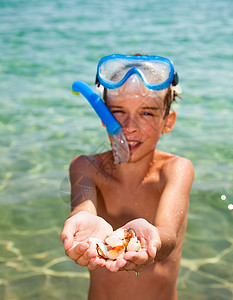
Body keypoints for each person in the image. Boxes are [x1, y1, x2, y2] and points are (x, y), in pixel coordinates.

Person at [60, 54, 194, 300]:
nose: (129, 127)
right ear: (104, 118)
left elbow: (167, 234)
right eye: (118, 112)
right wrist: (80, 221)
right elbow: (83, 208)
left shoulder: (175, 169)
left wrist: (152, 241)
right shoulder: (85, 167)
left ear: (168, 121)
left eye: (147, 113)